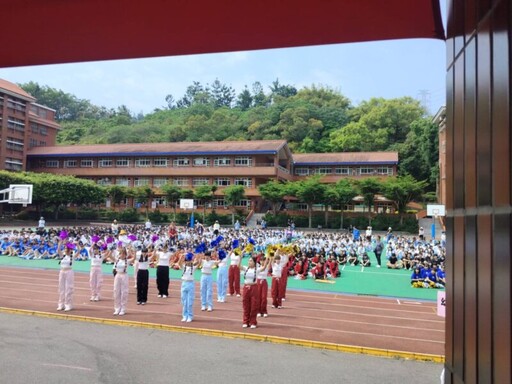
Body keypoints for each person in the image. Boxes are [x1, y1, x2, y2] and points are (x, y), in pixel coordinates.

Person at [241, 256, 267, 329]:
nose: (249, 262)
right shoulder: (246, 268)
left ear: (254, 262)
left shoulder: (257, 270)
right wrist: (240, 255)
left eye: (251, 261)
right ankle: (245, 321)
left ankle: (253, 322)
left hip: (254, 288)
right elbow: (238, 265)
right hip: (246, 287)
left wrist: (268, 257)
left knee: (253, 305)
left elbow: (264, 267)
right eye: (249, 261)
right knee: (246, 305)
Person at [111, 246, 135, 315]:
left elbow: (134, 258)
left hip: (124, 275)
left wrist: (131, 251)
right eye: (121, 253)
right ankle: (117, 308)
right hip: (118, 275)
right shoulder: (117, 260)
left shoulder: (127, 261)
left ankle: (123, 308)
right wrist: (110, 249)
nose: (122, 255)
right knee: (116, 291)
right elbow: (110, 256)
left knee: (124, 292)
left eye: (124, 254)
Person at [179, 252, 202, 322]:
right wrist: (182, 257)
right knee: (184, 301)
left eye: (189, 261)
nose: (188, 262)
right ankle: (184, 315)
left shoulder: (193, 268)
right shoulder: (183, 267)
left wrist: (197, 256)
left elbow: (199, 263)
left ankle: (190, 316)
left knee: (190, 302)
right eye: (187, 261)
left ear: (191, 261)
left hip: (190, 284)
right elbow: (179, 263)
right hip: (184, 284)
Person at [57, 240, 76, 311]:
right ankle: (61, 304)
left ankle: (68, 304)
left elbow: (79, 251)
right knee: (61, 288)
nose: (65, 250)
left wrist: (76, 245)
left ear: (70, 250)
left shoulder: (72, 256)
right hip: (62, 271)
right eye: (64, 248)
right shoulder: (63, 255)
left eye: (66, 249)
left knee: (69, 288)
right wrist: (60, 242)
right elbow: (58, 250)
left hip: (69, 272)